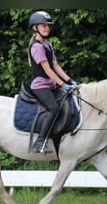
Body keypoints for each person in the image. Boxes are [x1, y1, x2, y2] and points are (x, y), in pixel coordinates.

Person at [27, 10, 78, 154]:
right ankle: (40, 142)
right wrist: (63, 85)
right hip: (40, 86)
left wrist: (69, 80)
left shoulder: (48, 45)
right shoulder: (36, 47)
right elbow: (48, 70)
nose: (47, 28)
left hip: (51, 85)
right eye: (43, 26)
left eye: (48, 26)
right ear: (34, 28)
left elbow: (56, 66)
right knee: (54, 108)